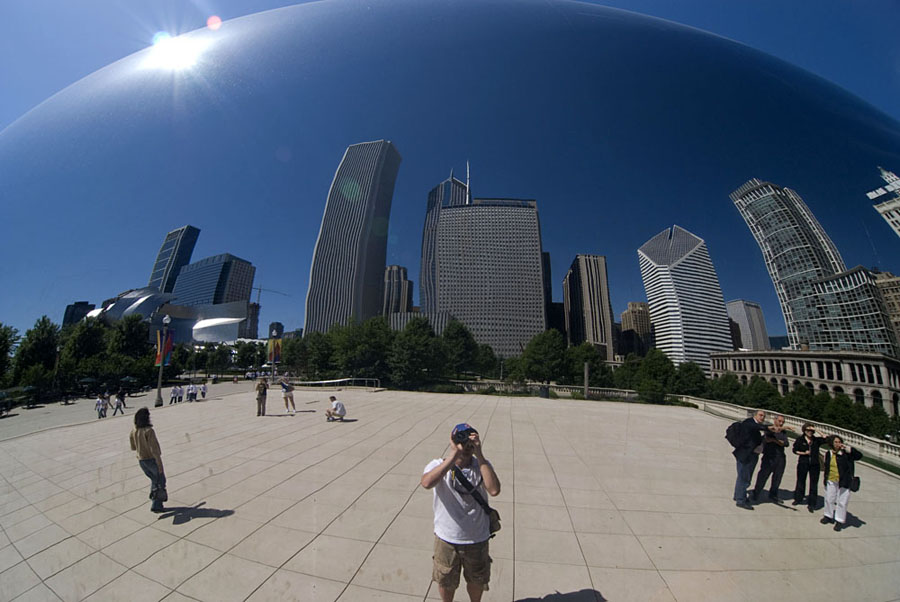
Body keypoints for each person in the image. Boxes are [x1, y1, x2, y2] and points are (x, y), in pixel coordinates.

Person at [421, 423, 501, 602]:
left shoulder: (481, 466)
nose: (465, 446)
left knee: (477, 579)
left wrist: (479, 454)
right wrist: (453, 456)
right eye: (461, 440)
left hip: (477, 538)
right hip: (447, 539)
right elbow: (426, 483)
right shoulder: (438, 465)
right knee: (446, 580)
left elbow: (494, 490)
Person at [820, 434, 863, 531]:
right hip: (831, 479)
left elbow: (859, 456)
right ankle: (828, 515)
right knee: (829, 498)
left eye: (839, 442)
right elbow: (826, 467)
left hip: (844, 481)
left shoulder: (847, 454)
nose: (838, 444)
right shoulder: (828, 453)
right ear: (832, 443)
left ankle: (839, 520)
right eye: (836, 442)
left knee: (842, 502)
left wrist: (849, 449)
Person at [129, 408, 167, 513]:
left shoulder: (134, 431)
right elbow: (154, 449)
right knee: (160, 481)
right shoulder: (149, 431)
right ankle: (156, 504)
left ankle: (154, 500)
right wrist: (159, 464)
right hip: (151, 459)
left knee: (154, 480)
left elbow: (133, 447)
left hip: (142, 461)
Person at [732, 409, 770, 510]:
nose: (762, 417)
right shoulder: (749, 423)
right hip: (747, 455)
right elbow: (754, 427)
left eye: (764, 416)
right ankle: (741, 500)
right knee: (744, 478)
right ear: (755, 415)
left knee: (743, 477)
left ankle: (738, 495)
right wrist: (769, 428)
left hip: (750, 455)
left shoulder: (754, 425)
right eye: (761, 415)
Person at [751, 414, 790, 503]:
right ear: (775, 420)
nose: (781, 423)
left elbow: (786, 443)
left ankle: (773, 494)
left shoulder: (783, 432)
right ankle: (756, 493)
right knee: (763, 476)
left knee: (777, 477)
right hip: (769, 457)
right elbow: (767, 439)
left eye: (783, 422)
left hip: (780, 457)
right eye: (779, 421)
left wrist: (775, 441)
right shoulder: (769, 429)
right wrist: (778, 441)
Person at [792, 423, 827, 511]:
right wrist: (804, 453)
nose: (810, 432)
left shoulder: (816, 440)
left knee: (813, 484)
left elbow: (826, 438)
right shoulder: (800, 439)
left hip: (815, 464)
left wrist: (817, 430)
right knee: (800, 481)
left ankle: (812, 503)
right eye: (808, 430)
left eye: (812, 431)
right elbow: (795, 450)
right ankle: (798, 498)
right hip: (803, 463)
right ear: (804, 430)